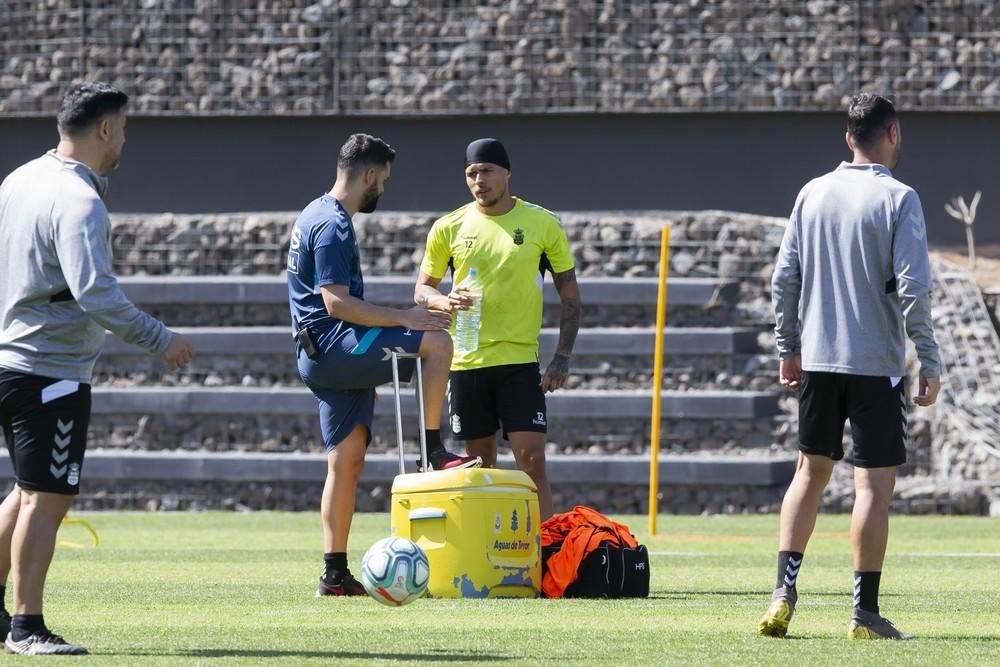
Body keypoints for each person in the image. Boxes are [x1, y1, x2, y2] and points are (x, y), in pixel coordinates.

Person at [0, 82, 194, 655]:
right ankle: (27, 626)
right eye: (125, 129)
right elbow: (95, 295)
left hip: (10, 358)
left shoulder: (18, 180)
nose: (125, 140)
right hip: (49, 370)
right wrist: (162, 340)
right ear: (105, 129)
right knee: (48, 498)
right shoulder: (80, 200)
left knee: (24, 492)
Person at [759, 93, 941, 640]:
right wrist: (927, 356)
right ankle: (864, 613)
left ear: (847, 139)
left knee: (808, 476)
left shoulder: (811, 192)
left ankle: (781, 592)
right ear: (893, 134)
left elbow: (783, 279)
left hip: (816, 360)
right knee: (871, 489)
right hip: (874, 367)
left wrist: (787, 347)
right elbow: (912, 286)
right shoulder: (899, 198)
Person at [287, 133, 480, 598]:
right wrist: (407, 318)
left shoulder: (313, 212)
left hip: (321, 354)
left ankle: (333, 576)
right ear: (369, 175)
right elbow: (336, 304)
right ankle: (434, 448)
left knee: (346, 463)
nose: (384, 190)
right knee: (436, 339)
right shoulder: (332, 225)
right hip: (336, 345)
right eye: (384, 181)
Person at [414, 138, 582, 520]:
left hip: (520, 362)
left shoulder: (542, 223)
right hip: (467, 362)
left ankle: (548, 555)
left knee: (532, 459)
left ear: (507, 173)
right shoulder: (448, 227)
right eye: (471, 173)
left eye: (487, 171)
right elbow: (422, 290)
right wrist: (443, 300)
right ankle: (486, 559)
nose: (479, 180)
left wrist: (562, 358)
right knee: (481, 467)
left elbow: (571, 297)